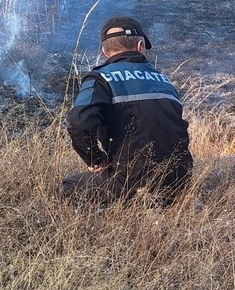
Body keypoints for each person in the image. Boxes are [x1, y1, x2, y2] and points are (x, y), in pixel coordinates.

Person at [63, 15, 192, 203]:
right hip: (179, 182)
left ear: (104, 52)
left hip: (130, 183)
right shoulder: (165, 81)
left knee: (69, 185)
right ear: (140, 47)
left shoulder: (100, 78)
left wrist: (95, 160)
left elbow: (79, 123)